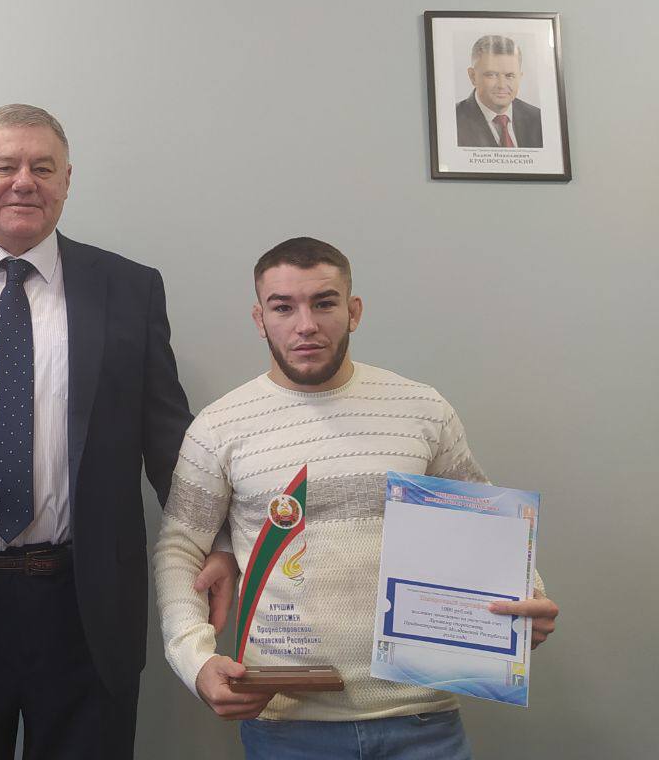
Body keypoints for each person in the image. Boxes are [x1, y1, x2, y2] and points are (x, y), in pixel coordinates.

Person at [0, 104, 236, 759]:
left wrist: (221, 539)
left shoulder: (129, 288)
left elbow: (168, 441)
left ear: (67, 180)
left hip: (84, 602)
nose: (24, 182)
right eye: (5, 166)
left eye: (43, 168)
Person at [153, 237, 560, 760]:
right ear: (260, 318)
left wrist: (526, 599)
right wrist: (195, 660)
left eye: (324, 303)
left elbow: (483, 529)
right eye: (283, 307)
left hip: (423, 722)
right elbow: (180, 549)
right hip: (288, 726)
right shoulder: (219, 427)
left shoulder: (422, 409)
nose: (306, 325)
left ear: (354, 311)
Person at [455, 34, 543, 148]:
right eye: (491, 75)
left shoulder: (538, 119)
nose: (502, 85)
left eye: (509, 75)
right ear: (473, 76)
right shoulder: (453, 121)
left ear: (520, 77)